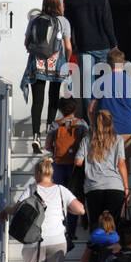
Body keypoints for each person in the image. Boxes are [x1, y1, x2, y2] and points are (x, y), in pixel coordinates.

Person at [0, 157, 84, 262]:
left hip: (34, 244)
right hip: (57, 243)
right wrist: (64, 209)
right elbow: (80, 210)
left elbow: (17, 209)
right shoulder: (61, 190)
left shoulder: (31, 189)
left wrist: (4, 212)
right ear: (51, 173)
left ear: (38, 172)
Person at [63, 0, 118, 112]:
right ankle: (106, 118)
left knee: (88, 87)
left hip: (84, 46)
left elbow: (69, 25)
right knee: (106, 84)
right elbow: (107, 20)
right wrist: (113, 43)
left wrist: (73, 44)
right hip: (103, 45)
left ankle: (92, 122)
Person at [23, 0, 73, 152]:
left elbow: (26, 42)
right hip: (55, 65)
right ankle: (51, 134)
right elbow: (68, 47)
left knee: (37, 101)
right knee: (53, 98)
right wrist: (66, 60)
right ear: (58, 3)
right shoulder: (63, 21)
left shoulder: (34, 19)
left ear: (44, 3)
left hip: (36, 63)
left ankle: (36, 136)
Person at [45, 97, 88, 246]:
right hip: (75, 166)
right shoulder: (82, 124)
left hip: (58, 165)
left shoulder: (55, 125)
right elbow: (86, 145)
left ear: (61, 110)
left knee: (58, 199)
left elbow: (47, 146)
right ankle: (71, 230)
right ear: (74, 109)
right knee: (74, 197)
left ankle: (58, 228)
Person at [74, 110, 129, 226]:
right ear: (111, 123)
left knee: (96, 223)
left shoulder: (86, 140)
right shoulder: (118, 140)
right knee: (114, 223)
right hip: (115, 186)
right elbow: (121, 164)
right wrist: (126, 187)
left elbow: (78, 162)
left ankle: (97, 243)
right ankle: (113, 243)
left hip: (93, 186)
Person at [88, 47, 131, 157]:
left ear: (108, 64)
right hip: (127, 128)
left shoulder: (100, 83)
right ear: (123, 63)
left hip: (106, 130)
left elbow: (91, 110)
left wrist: (94, 125)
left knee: (107, 162)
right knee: (124, 161)